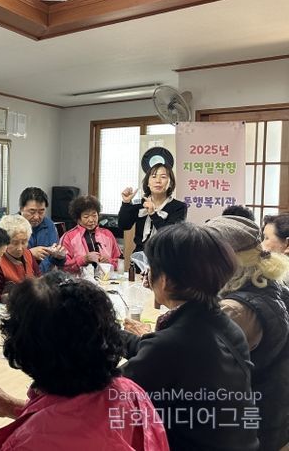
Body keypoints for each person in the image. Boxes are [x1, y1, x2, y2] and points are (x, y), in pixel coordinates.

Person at [0, 273, 170, 450]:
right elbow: (74, 416)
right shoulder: (130, 392)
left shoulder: (30, 443)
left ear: (24, 351)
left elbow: (58, 432)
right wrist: (18, 408)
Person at [122, 223, 259, 451]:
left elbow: (110, 392)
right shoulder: (223, 325)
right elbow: (155, 350)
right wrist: (111, 333)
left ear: (164, 280)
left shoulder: (173, 344)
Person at [204, 215, 289, 450]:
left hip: (249, 428)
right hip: (274, 415)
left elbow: (196, 365)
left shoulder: (235, 310)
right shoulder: (271, 285)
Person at [118, 163, 187, 253]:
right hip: (139, 256)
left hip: (165, 257)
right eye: (154, 177)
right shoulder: (140, 203)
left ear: (170, 183)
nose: (158, 181)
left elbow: (170, 235)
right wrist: (126, 203)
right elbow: (124, 225)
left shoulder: (179, 207)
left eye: (163, 177)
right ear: (148, 183)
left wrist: (153, 214)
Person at [0, 215, 40, 303]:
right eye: (14, 243)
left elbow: (39, 280)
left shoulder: (28, 254)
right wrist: (13, 297)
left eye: (24, 242)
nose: (20, 248)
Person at [60, 195, 121, 275]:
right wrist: (84, 260)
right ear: (78, 219)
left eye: (94, 215)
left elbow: (120, 262)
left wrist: (109, 261)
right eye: (86, 216)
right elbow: (63, 267)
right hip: (79, 281)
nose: (91, 220)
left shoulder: (108, 234)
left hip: (106, 280)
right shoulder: (68, 237)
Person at [18, 187, 67, 273]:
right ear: (21, 208)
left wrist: (60, 257)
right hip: (21, 277)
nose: (37, 217)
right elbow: (3, 259)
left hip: (44, 277)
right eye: (32, 212)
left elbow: (54, 260)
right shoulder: (11, 226)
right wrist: (29, 254)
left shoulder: (49, 224)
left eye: (41, 212)